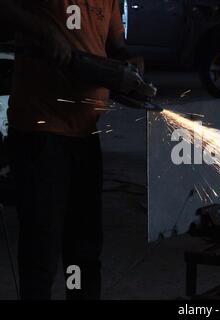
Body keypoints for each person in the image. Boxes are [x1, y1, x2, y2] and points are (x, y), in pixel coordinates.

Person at [1, 0, 141, 300]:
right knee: (42, 245)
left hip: (86, 133)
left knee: (84, 247)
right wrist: (45, 32)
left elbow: (116, 45)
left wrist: (129, 63)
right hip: (40, 134)